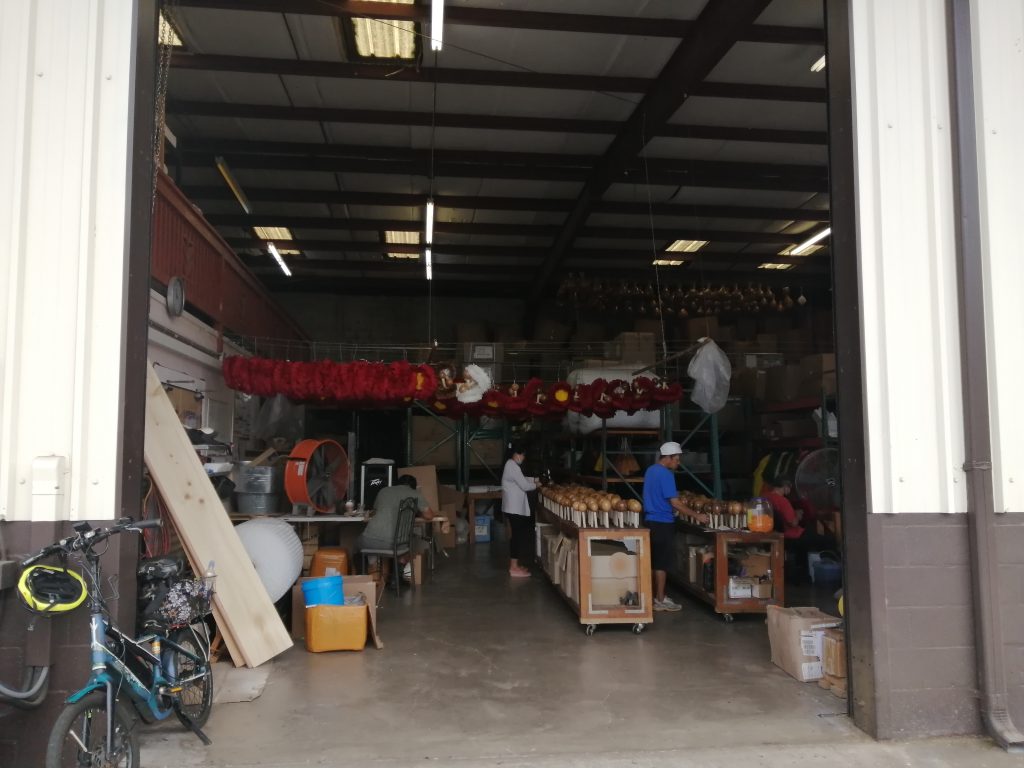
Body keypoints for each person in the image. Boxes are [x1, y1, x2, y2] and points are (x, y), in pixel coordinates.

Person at [642, 442, 707, 611]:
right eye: (676, 459)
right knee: (661, 563)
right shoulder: (666, 475)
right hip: (663, 523)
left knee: (653, 560)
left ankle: (652, 596)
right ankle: (660, 599)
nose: (678, 463)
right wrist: (697, 515)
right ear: (668, 458)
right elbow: (675, 502)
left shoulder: (650, 471)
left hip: (650, 521)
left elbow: (658, 497)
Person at [761, 473, 835, 580]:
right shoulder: (783, 501)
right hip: (792, 535)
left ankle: (801, 570)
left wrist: (793, 513)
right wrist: (798, 515)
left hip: (774, 533)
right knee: (828, 540)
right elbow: (793, 523)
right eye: (789, 487)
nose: (790, 490)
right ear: (785, 486)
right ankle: (822, 573)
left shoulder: (765, 497)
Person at [357, 475, 434, 577]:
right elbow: (429, 515)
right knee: (410, 541)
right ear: (413, 487)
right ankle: (397, 575)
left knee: (356, 547)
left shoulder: (383, 491)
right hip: (397, 545)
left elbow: (375, 511)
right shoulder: (415, 494)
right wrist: (417, 512)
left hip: (370, 542)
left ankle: (362, 577)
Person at [501, 443, 540, 578]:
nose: (523, 457)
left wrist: (534, 480)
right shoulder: (512, 465)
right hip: (514, 508)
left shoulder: (511, 465)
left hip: (513, 507)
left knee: (517, 536)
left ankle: (515, 565)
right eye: (522, 455)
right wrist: (536, 485)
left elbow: (521, 479)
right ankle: (513, 567)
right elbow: (524, 485)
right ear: (516, 454)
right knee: (516, 537)